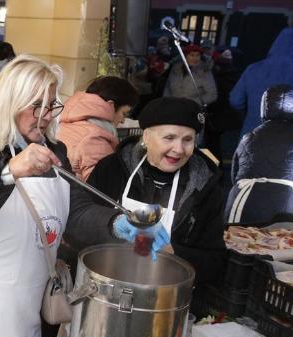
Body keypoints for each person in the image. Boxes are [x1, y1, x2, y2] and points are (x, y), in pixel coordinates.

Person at [0, 55, 143, 337]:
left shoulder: (56, 152)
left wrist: (116, 224)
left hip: (27, 302)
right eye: (37, 105)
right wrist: (7, 170)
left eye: (51, 104)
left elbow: (75, 212)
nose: (47, 115)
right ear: (11, 102)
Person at [87, 96, 226, 285]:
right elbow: (83, 224)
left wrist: (173, 252)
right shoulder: (112, 170)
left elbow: (215, 262)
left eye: (188, 140)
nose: (178, 149)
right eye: (169, 138)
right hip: (106, 284)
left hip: (168, 297)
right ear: (146, 137)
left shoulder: (206, 188)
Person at [225, 85, 293, 223]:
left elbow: (235, 176)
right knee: (278, 241)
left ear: (265, 107)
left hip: (241, 201)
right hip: (285, 201)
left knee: (239, 242)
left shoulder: (248, 137)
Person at [230, 28, 293, 138]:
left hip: (251, 134)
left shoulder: (253, 69)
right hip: (285, 140)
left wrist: (250, 113)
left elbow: (235, 100)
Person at [58, 75, 138, 180]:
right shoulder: (94, 140)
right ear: (110, 105)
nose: (123, 120)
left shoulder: (69, 120)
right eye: (124, 113)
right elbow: (102, 187)